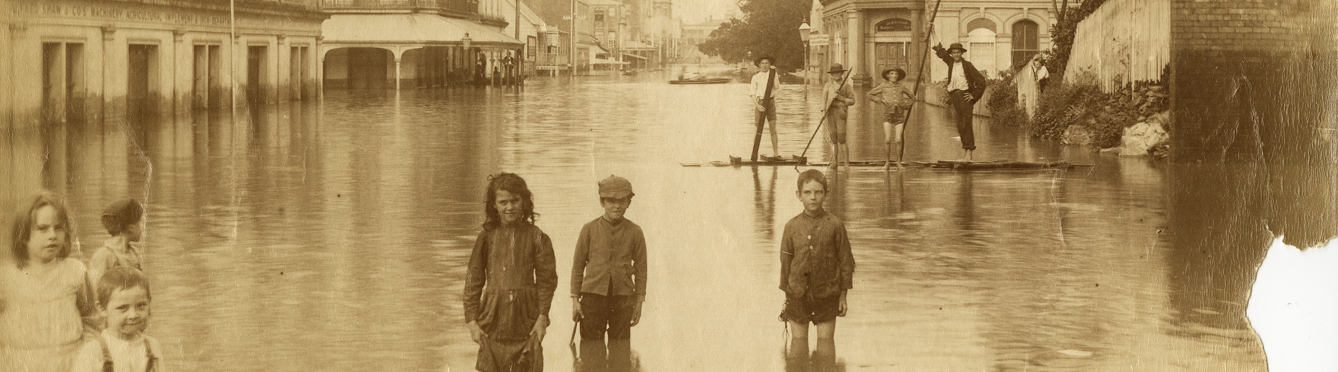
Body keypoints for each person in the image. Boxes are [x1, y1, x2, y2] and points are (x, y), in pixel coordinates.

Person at [463, 173, 558, 372]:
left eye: (515, 201)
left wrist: (542, 317)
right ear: (494, 205)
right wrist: (472, 321)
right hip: (492, 318)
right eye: (503, 202)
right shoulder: (486, 237)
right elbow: (473, 281)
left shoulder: (537, 237)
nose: (509, 207)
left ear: (524, 202)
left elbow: (547, 281)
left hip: (527, 319)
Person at [0, 192, 99, 372]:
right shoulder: (5, 277)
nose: (52, 235)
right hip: (18, 363)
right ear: (23, 234)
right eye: (43, 228)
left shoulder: (75, 271)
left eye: (58, 227)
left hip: (70, 362)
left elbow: (92, 321)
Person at [570, 175, 647, 369]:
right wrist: (575, 300)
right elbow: (578, 266)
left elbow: (641, 269)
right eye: (611, 201)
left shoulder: (635, 231)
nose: (616, 206)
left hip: (623, 299)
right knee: (590, 348)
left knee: (620, 349)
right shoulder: (588, 229)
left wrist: (639, 302)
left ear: (629, 202)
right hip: (592, 297)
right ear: (601, 202)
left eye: (622, 201)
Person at [779, 170, 854, 354]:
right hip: (797, 295)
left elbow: (846, 261)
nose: (813, 197)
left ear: (825, 194)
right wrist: (788, 296)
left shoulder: (835, 225)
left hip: (827, 295)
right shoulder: (791, 226)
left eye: (818, 192)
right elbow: (785, 262)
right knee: (798, 347)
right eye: (807, 192)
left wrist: (843, 296)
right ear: (799, 195)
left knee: (826, 347)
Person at [70, 266, 162, 372]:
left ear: (149, 303)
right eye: (123, 308)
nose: (133, 315)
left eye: (141, 305)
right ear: (102, 309)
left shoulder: (152, 346)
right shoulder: (94, 350)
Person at [932, 42, 987, 161]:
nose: (956, 54)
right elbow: (940, 51)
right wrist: (933, 32)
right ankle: (966, 153)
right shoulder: (951, 63)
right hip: (955, 96)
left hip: (964, 96)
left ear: (962, 53)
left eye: (958, 52)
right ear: (951, 54)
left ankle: (969, 155)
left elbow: (981, 81)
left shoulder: (967, 65)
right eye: (953, 53)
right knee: (960, 125)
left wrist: (973, 95)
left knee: (966, 124)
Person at [90, 198, 146, 287]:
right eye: (141, 222)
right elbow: (95, 290)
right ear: (131, 227)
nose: (143, 227)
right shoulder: (104, 255)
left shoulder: (135, 253)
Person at [867, 68, 915, 170]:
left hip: (899, 115)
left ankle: (898, 162)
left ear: (898, 76)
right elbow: (869, 95)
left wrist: (906, 105)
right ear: (888, 75)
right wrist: (880, 100)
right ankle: (887, 163)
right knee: (887, 139)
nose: (894, 76)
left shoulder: (901, 86)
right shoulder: (883, 86)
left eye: (896, 74)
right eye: (891, 74)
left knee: (898, 140)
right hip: (887, 114)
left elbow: (912, 97)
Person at [821, 64, 855, 169]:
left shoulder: (847, 86)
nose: (836, 75)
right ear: (831, 75)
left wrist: (841, 98)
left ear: (842, 73)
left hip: (841, 113)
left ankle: (846, 163)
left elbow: (852, 101)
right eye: (834, 73)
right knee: (833, 138)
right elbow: (824, 100)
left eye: (838, 73)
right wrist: (823, 112)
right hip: (830, 113)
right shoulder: (828, 85)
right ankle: (834, 161)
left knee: (841, 138)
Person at [750, 56, 782, 158]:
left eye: (767, 63)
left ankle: (776, 153)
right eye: (762, 63)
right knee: (757, 129)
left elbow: (776, 87)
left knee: (773, 129)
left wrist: (775, 73)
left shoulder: (772, 74)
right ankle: (754, 153)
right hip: (760, 102)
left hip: (771, 102)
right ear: (759, 65)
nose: (764, 65)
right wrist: (758, 105)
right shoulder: (756, 77)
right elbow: (752, 93)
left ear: (770, 65)